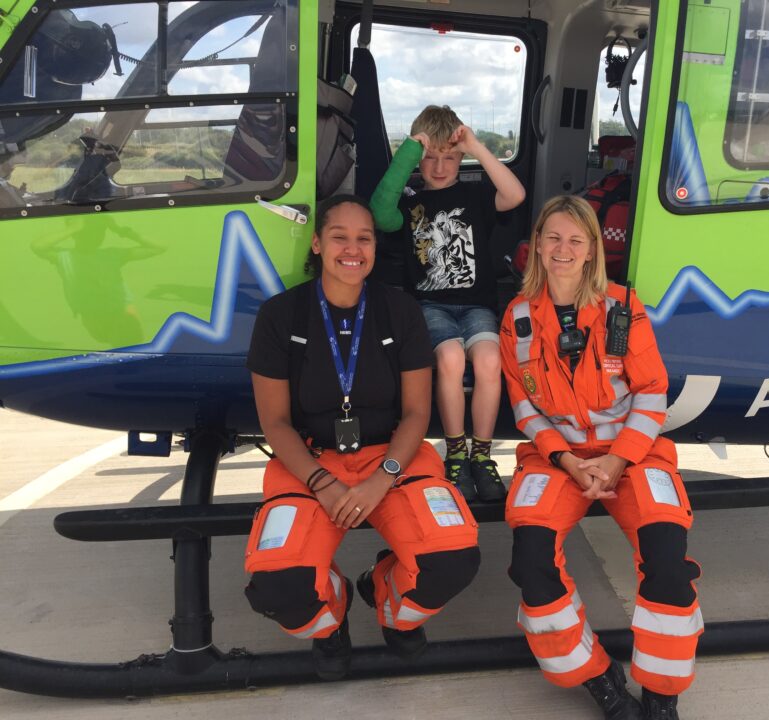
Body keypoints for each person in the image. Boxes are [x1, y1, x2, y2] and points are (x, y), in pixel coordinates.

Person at [243, 195, 481, 679]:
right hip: (310, 461)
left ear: (375, 247)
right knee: (279, 590)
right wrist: (320, 482)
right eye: (340, 237)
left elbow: (417, 412)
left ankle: (388, 597)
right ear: (317, 243)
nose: (353, 249)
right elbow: (276, 423)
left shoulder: (399, 309)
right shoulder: (280, 315)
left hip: (395, 455)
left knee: (452, 561)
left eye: (364, 239)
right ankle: (332, 617)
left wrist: (384, 477)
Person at [499, 196, 702, 720]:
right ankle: (597, 677)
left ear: (592, 250)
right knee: (531, 563)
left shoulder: (623, 308)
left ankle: (661, 694)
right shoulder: (517, 318)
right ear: (537, 246)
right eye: (553, 238)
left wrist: (617, 460)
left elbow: (653, 392)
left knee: (666, 560)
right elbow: (525, 407)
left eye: (575, 240)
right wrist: (568, 461)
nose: (563, 249)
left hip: (631, 454)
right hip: (557, 458)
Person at [370, 105, 525, 502]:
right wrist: (408, 153)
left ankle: (482, 455)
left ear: (462, 158)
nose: (439, 167)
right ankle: (456, 451)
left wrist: (475, 144)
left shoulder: (474, 196)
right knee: (451, 359)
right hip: (431, 307)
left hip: (477, 307)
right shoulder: (408, 204)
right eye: (430, 158)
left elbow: (515, 194)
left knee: (491, 361)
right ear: (418, 160)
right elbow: (379, 212)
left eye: (450, 157)